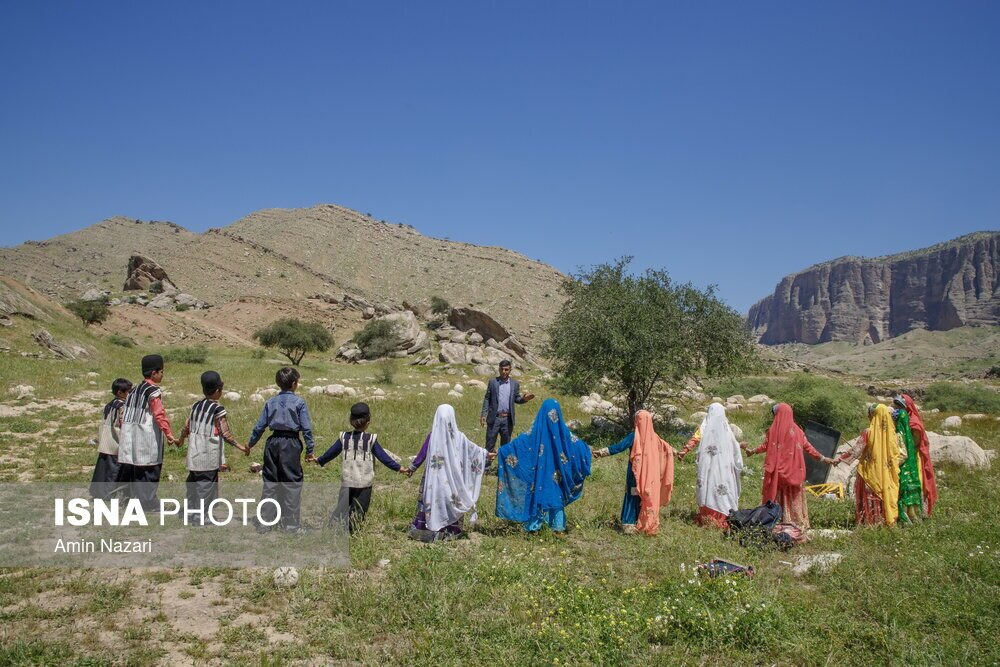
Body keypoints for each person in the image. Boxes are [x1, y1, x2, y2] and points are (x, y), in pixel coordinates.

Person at [495, 399, 592, 533]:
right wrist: (590, 452)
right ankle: (557, 526)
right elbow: (580, 448)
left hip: (538, 477)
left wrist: (500, 451)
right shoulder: (564, 434)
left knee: (538, 494)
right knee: (555, 494)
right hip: (557, 478)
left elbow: (517, 446)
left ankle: (534, 526)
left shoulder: (534, 433)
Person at [313, 402, 408, 534]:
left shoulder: (344, 437)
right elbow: (383, 457)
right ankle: (352, 531)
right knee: (360, 508)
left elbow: (332, 452)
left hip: (347, 480)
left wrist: (320, 460)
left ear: (350, 420)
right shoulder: (370, 440)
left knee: (342, 507)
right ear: (368, 422)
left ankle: (333, 528)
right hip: (364, 483)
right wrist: (399, 468)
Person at [406, 404, 493, 542]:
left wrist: (411, 468)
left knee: (433, 501)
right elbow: (473, 450)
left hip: (433, 480)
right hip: (453, 479)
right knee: (450, 501)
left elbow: (422, 454)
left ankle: (428, 530)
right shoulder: (459, 437)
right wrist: (486, 455)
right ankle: (450, 531)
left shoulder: (433, 436)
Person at [742, 403, 835, 530]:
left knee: (778, 496)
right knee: (793, 496)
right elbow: (808, 447)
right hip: (796, 472)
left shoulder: (775, 430)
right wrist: (823, 458)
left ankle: (777, 521)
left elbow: (766, 446)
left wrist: (753, 451)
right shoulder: (798, 431)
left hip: (779, 475)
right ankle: (796, 522)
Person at [176, 371, 248, 525]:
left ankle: (192, 512)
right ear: (217, 391)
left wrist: (181, 440)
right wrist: (241, 447)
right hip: (208, 453)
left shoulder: (196, 405)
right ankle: (202, 516)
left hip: (194, 452)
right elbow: (225, 433)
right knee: (206, 486)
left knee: (193, 483)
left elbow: (186, 427)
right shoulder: (217, 408)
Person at [247, 367, 314, 532]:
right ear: (294, 384)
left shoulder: (270, 402)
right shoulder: (299, 403)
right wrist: (310, 449)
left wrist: (251, 443)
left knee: (270, 481)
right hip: (290, 443)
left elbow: (260, 426)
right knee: (291, 482)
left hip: (273, 442)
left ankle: (266, 522)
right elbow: (306, 428)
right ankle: (291, 524)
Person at [592, 410, 675, 535]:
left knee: (632, 495)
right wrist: (677, 452)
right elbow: (666, 448)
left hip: (635, 474)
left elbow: (619, 446)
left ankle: (629, 522)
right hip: (649, 475)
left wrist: (601, 452)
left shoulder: (634, 435)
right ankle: (642, 521)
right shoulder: (654, 436)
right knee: (643, 495)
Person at [118, 354, 177, 511]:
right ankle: (148, 503)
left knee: (136, 468)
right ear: (154, 373)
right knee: (150, 469)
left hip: (131, 434)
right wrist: (169, 433)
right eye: (161, 372)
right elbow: (159, 414)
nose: (162, 375)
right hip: (146, 434)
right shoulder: (153, 391)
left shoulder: (135, 390)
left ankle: (134, 500)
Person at [833, 404, 901, 526]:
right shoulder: (893, 435)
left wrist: (839, 459)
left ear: (873, 415)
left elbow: (855, 450)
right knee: (883, 496)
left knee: (869, 498)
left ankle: (869, 523)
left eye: (870, 414)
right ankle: (883, 522)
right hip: (886, 475)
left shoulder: (868, 432)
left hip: (870, 474)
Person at [677, 403, 743, 528]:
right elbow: (736, 450)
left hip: (707, 466)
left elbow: (695, 438)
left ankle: (708, 516)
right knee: (722, 488)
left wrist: (685, 450)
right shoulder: (727, 430)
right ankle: (723, 516)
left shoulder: (705, 427)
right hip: (724, 469)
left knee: (708, 486)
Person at [89, 378, 132, 500]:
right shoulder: (122, 406)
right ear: (120, 392)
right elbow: (124, 423)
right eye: (128, 392)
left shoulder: (110, 404)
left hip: (105, 441)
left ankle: (97, 492)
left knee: (103, 470)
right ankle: (108, 495)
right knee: (114, 472)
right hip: (116, 443)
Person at [480, 360, 535, 453]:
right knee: (489, 444)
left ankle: (503, 467)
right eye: (502, 369)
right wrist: (483, 414)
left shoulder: (515, 384)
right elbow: (487, 398)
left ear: (510, 370)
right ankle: (486, 467)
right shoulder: (493, 382)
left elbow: (516, 399)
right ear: (499, 369)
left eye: (506, 369)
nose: (504, 372)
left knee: (506, 447)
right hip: (494, 418)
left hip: (507, 420)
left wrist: (524, 399)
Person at [896, 394, 938, 516]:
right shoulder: (903, 419)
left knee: (915, 482)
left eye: (901, 406)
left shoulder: (914, 422)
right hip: (904, 455)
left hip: (913, 457)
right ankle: (904, 512)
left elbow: (914, 442)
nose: (899, 408)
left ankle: (916, 513)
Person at [891, 399, 923, 524]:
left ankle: (904, 517)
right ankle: (912, 516)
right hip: (912, 461)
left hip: (903, 464)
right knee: (911, 486)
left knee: (903, 489)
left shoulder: (899, 434)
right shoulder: (906, 431)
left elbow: (902, 453)